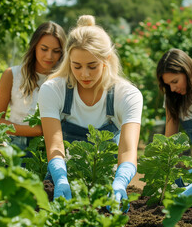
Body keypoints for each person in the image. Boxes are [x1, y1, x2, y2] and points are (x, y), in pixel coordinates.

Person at [38, 15, 143, 205]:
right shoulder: (53, 90)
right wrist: (61, 179)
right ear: (68, 59)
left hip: (106, 186)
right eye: (76, 66)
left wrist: (120, 182)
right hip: (63, 181)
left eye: (92, 66)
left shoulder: (127, 95)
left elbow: (128, 150)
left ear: (106, 60)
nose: (84, 74)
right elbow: (55, 146)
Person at [0, 22, 66, 151]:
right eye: (44, 49)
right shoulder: (12, 74)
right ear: (34, 47)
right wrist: (38, 131)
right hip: (14, 145)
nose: (49, 56)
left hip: (52, 146)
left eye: (56, 51)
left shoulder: (65, 81)